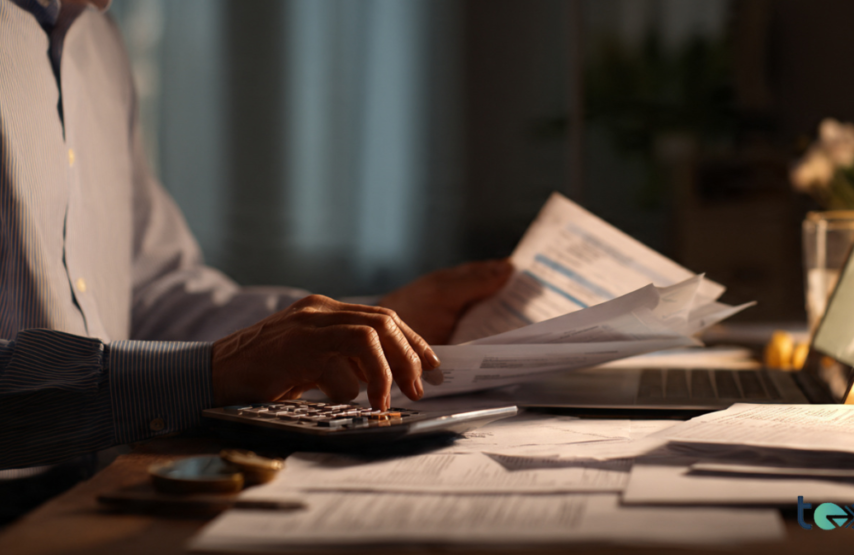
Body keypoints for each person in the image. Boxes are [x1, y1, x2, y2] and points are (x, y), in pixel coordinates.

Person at [0, 0, 512, 519]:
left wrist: (371, 321)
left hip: (103, 490)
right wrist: (206, 373)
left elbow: (153, 290)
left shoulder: (97, 38)